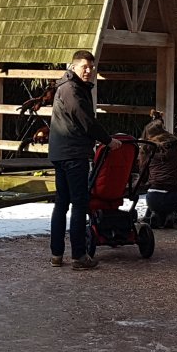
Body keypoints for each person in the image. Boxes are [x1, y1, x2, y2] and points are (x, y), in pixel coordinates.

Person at [48, 49, 116, 269]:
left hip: (62, 152)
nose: (88, 71)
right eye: (84, 67)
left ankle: (57, 254)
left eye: (91, 67)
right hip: (72, 152)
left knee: (62, 203)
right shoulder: (72, 89)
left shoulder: (66, 86)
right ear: (73, 66)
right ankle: (78, 256)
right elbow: (85, 120)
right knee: (78, 203)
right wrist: (108, 140)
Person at [139, 117, 177, 228]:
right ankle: (170, 213)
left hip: (153, 195)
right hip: (173, 195)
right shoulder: (174, 146)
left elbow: (143, 173)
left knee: (156, 191)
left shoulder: (146, 149)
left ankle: (155, 213)